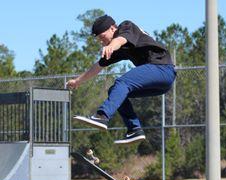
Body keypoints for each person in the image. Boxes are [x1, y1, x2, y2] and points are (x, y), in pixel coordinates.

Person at [67, 14, 176, 144]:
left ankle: (102, 116)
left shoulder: (126, 26)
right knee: (115, 90)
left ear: (113, 28)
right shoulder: (117, 50)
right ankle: (134, 129)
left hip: (162, 68)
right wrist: (77, 81)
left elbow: (120, 40)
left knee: (122, 82)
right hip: (162, 83)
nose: (102, 42)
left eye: (102, 37)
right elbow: (97, 66)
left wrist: (111, 46)